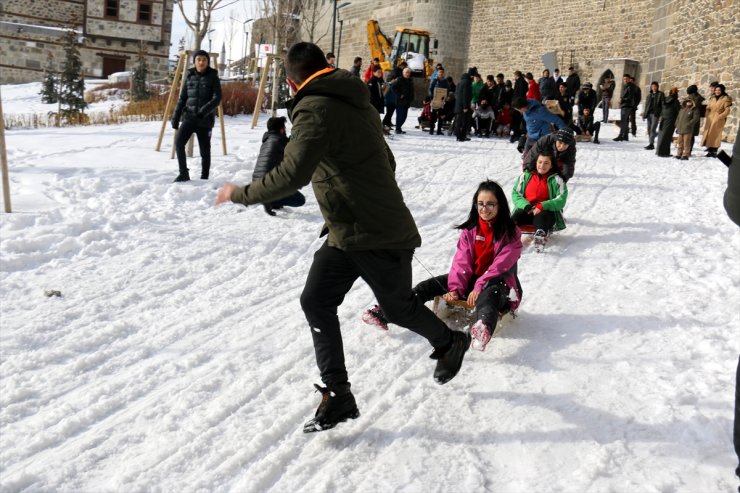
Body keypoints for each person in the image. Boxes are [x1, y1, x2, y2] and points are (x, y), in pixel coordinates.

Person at [214, 42, 471, 433]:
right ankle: (339, 395)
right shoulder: (356, 99)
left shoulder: (314, 108)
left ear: (291, 81)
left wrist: (241, 194)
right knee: (316, 301)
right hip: (347, 230)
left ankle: (450, 343)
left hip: (376, 232)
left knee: (399, 309)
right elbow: (387, 159)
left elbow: (292, 174)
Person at [363, 181, 523, 352]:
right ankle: (386, 313)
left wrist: (480, 286)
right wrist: (456, 288)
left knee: (489, 296)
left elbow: (500, 266)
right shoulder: (470, 230)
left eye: (490, 204)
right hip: (470, 279)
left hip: (498, 283)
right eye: (480, 204)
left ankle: (483, 328)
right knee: (428, 286)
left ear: (500, 205)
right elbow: (462, 262)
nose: (484, 209)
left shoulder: (511, 233)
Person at [170, 49, 222, 182]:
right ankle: (183, 173)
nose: (201, 62)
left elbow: (217, 98)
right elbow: (182, 98)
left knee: (205, 151)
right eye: (199, 59)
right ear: (195, 61)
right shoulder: (189, 76)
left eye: (204, 60)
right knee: (179, 143)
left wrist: (203, 111)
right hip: (189, 118)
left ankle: (204, 177)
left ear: (207, 62)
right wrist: (176, 117)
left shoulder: (213, 76)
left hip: (205, 120)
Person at [511, 152, 568, 250]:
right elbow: (516, 194)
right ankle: (506, 236)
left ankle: (540, 237)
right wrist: (526, 205)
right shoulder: (525, 176)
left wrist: (542, 206)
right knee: (516, 217)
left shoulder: (557, 180)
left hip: (546, 212)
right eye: (540, 162)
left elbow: (561, 199)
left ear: (551, 165)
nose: (542, 165)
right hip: (527, 209)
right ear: (536, 162)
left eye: (546, 163)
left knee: (542, 217)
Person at [252, 117, 306, 215]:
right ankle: (272, 200)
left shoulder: (266, 141)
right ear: (281, 129)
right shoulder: (280, 140)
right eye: (285, 128)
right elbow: (294, 146)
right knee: (300, 200)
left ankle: (273, 201)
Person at [702, 83, 733, 157]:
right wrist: (707, 114)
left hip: (718, 119)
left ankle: (714, 151)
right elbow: (708, 107)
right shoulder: (712, 98)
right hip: (710, 118)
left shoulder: (725, 98)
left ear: (722, 90)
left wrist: (720, 116)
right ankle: (710, 150)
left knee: (715, 135)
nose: (717, 91)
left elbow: (727, 110)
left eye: (719, 90)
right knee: (709, 134)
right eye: (716, 90)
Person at [655, 86, 680, 157]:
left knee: (661, 135)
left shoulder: (665, 99)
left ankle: (659, 151)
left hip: (663, 119)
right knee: (667, 137)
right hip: (671, 120)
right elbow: (679, 111)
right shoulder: (675, 101)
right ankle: (664, 152)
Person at [614, 74, 637, 142]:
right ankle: (625, 136)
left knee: (623, 121)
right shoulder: (627, 86)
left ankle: (621, 135)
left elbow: (630, 97)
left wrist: (622, 100)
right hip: (625, 105)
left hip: (627, 105)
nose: (625, 80)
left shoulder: (631, 86)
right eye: (624, 79)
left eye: (626, 79)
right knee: (625, 121)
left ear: (629, 79)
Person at [642, 81, 664, 150]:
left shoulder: (660, 94)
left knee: (652, 129)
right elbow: (646, 106)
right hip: (649, 114)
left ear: (657, 87)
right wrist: (644, 114)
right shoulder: (649, 95)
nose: (654, 88)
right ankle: (651, 142)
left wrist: (661, 115)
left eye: (655, 86)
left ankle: (651, 144)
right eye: (652, 86)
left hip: (656, 114)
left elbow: (663, 105)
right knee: (649, 129)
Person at [391, 67, 414, 134]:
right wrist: (399, 94)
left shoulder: (410, 80)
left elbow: (411, 91)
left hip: (407, 101)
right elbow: (393, 87)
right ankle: (397, 129)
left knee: (404, 117)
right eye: (406, 72)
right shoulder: (399, 79)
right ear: (403, 73)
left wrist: (411, 98)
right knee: (400, 116)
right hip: (400, 101)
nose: (407, 74)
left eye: (409, 72)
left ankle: (399, 128)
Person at [454, 69, 474, 142]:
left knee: (459, 121)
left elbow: (456, 94)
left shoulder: (460, 82)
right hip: (463, 106)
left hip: (459, 105)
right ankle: (461, 136)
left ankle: (460, 136)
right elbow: (465, 95)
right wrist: (465, 106)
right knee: (463, 122)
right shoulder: (467, 82)